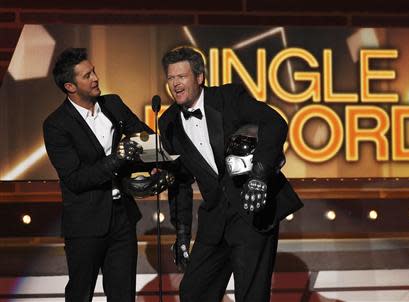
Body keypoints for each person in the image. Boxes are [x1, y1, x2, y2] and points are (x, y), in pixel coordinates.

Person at [158, 47, 303, 302]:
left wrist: (259, 175)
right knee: (193, 292)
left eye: (182, 77)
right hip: (214, 219)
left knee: (251, 296)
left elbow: (275, 123)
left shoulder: (228, 97)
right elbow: (179, 180)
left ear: (200, 77)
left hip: (251, 210)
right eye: (171, 78)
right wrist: (181, 233)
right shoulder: (168, 121)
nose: (175, 84)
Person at [43, 47, 156, 301]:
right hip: (85, 223)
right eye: (87, 75)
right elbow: (75, 178)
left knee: (123, 295)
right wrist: (117, 159)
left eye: (94, 71)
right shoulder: (56, 125)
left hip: (122, 217)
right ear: (70, 87)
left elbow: (144, 137)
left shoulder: (112, 104)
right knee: (81, 294)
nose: (95, 78)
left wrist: (157, 162)